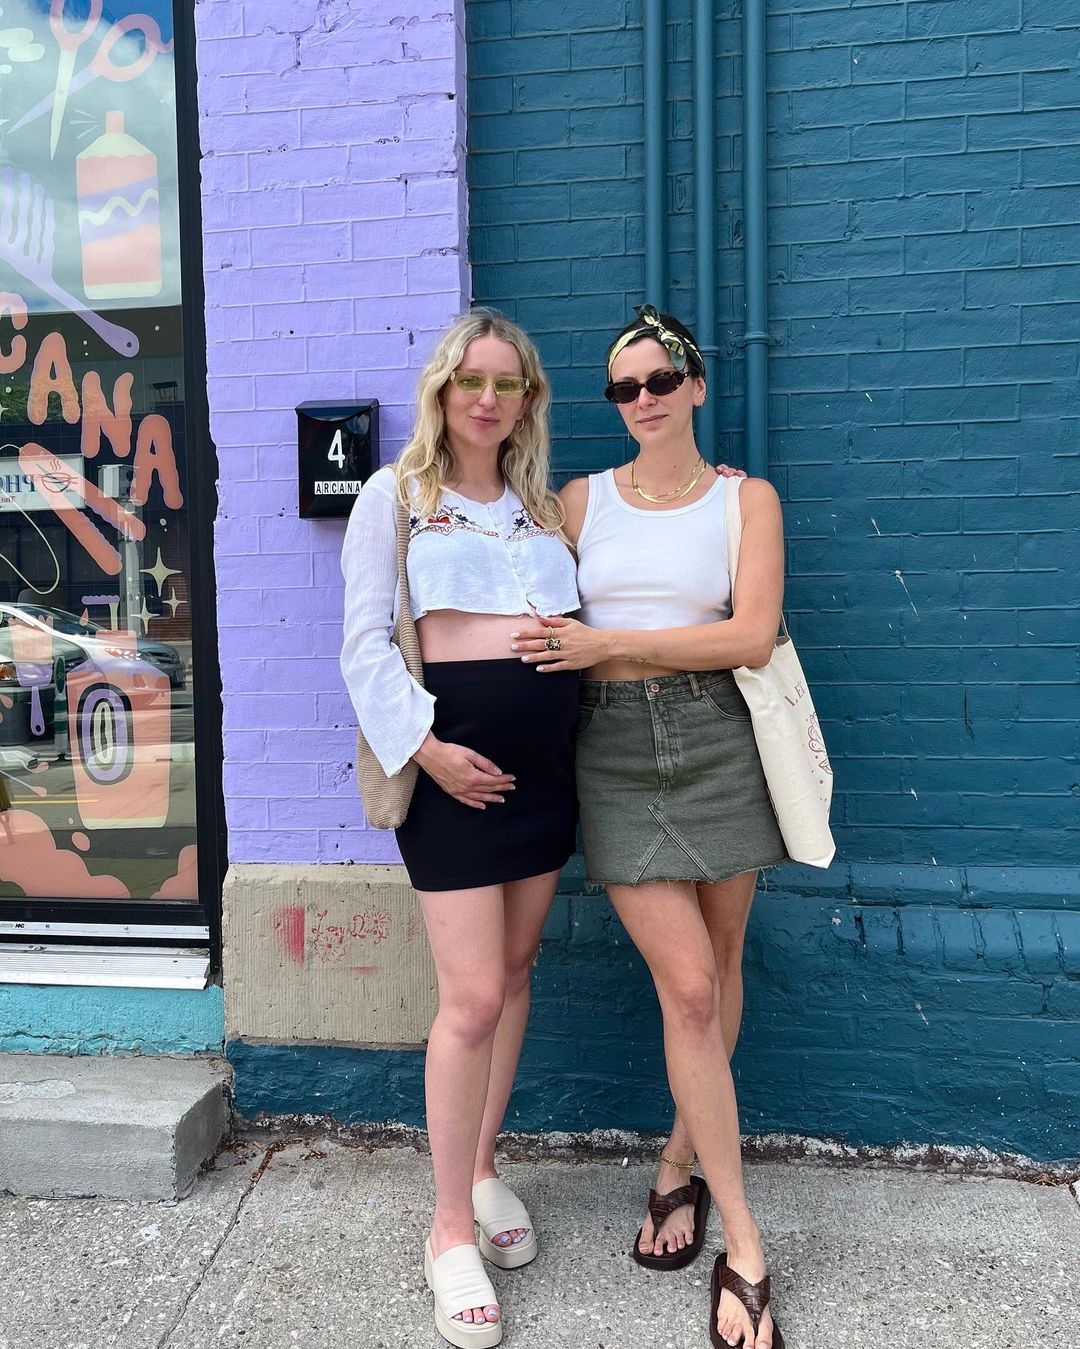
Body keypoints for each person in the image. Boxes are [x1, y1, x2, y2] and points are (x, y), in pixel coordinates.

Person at [508, 305, 788, 1349]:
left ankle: (679, 1161)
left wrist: (611, 643)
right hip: (615, 751)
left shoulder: (745, 500)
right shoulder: (581, 501)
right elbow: (527, 606)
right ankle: (746, 1243)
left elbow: (750, 635)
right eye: (624, 387)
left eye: (661, 378)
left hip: (718, 740)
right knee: (690, 985)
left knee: (721, 964)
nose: (643, 398)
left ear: (695, 385)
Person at [340, 309, 580, 1348]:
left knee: (516, 973)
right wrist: (429, 749)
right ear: (442, 388)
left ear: (527, 400)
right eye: (469, 379)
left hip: (545, 778)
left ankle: (482, 1170)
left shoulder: (541, 507)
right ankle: (446, 1229)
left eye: (506, 383)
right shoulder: (394, 497)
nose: (487, 398)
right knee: (472, 996)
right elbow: (363, 647)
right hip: (450, 777)